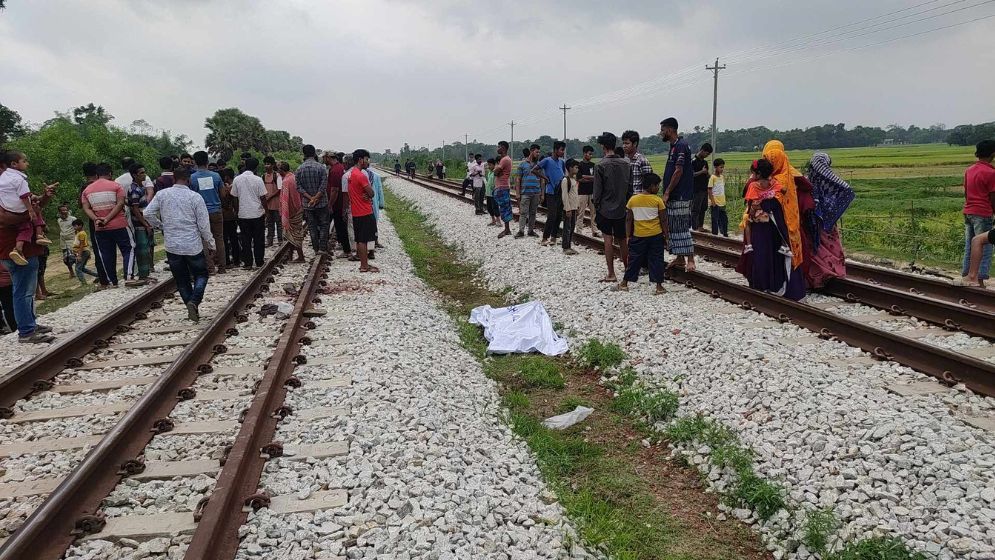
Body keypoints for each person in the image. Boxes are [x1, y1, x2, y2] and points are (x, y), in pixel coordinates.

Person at [143, 167, 215, 322]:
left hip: (172, 245)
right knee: (201, 274)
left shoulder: (162, 195)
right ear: (189, 180)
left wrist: (161, 226)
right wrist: (210, 243)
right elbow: (203, 224)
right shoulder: (195, 197)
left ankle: (190, 305)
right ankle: (194, 301)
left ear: (173, 179)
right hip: (192, 245)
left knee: (181, 280)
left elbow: (147, 213)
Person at [0, 173, 57, 343]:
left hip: (28, 249)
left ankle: (30, 324)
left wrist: (44, 198)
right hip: (15, 250)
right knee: (22, 291)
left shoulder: (12, 188)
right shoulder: (5, 191)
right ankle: (26, 331)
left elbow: (36, 203)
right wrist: (31, 213)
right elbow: (6, 219)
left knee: (27, 291)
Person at [737, 158, 805, 301]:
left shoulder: (754, 186)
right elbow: (783, 191)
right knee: (774, 253)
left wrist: (756, 208)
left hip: (759, 226)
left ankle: (761, 284)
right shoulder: (775, 183)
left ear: (758, 173)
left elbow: (751, 205)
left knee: (760, 253)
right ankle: (775, 284)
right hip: (775, 224)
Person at [800, 152, 853, 288]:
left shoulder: (807, 180)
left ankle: (817, 278)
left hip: (811, 221)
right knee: (830, 245)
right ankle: (835, 272)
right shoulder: (831, 180)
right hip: (828, 221)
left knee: (815, 248)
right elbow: (846, 191)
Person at [762, 140, 805, 295]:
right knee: (790, 253)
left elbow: (770, 203)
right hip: (791, 222)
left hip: (781, 224)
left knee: (784, 255)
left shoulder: (776, 181)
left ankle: (786, 289)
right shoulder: (788, 175)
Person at [615, 172, 667, 295]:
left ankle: (624, 283)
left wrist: (628, 235)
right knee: (657, 259)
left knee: (634, 259)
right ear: (651, 186)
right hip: (655, 235)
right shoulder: (658, 200)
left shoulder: (633, 200)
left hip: (639, 236)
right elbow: (663, 220)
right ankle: (659, 286)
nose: (658, 188)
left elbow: (628, 219)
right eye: (657, 185)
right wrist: (666, 235)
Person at [82, 163, 134, 288]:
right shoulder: (116, 186)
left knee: (106, 254)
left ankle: (112, 281)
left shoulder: (87, 190)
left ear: (97, 174)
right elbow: (120, 204)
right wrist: (108, 218)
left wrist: (96, 219)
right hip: (119, 225)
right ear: (110, 173)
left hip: (100, 228)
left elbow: (86, 208)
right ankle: (128, 277)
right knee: (129, 248)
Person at [0, 151, 53, 266]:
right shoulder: (15, 181)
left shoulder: (9, 183)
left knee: (28, 224)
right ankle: (35, 236)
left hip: (29, 252)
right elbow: (4, 219)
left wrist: (45, 195)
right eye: (24, 161)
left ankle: (35, 237)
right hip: (9, 251)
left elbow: (34, 199)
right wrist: (31, 211)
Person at [659, 117, 697, 272]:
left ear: (670, 130)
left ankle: (691, 259)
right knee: (674, 226)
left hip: (680, 194)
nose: (661, 133)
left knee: (681, 225)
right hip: (675, 194)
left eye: (663, 130)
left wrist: (667, 191)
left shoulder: (681, 146)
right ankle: (680, 258)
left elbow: (679, 170)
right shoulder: (674, 146)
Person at [592, 132, 631, 283]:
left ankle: (611, 273)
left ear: (603, 146)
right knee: (623, 239)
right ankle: (628, 271)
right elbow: (629, 189)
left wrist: (597, 205)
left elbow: (597, 191)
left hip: (605, 209)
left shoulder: (600, 165)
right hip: (622, 207)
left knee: (607, 239)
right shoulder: (626, 164)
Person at [960, 140, 995, 286]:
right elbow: (993, 197)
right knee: (985, 246)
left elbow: (966, 193)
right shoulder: (991, 172)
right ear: (992, 154)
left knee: (971, 245)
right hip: (983, 212)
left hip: (969, 211)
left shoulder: (969, 170)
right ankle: (979, 279)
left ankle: (967, 274)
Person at [190, 151, 226, 274]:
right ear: (207, 161)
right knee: (219, 238)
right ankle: (222, 267)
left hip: (200, 213)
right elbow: (223, 194)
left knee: (204, 240)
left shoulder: (192, 178)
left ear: (195, 162)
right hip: (216, 210)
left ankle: (210, 267)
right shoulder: (216, 176)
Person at [232, 157, 267, 269]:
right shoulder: (258, 179)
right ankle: (259, 261)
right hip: (257, 213)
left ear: (245, 165)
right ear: (256, 167)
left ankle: (248, 263)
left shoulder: (237, 179)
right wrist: (266, 211)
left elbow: (235, 197)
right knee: (258, 239)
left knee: (245, 239)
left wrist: (237, 211)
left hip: (243, 214)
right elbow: (263, 197)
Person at [296, 144, 331, 255]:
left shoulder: (299, 169)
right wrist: (316, 197)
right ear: (314, 153)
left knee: (312, 226)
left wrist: (310, 198)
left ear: (304, 154)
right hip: (322, 202)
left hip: (308, 203)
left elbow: (299, 187)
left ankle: (316, 248)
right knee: (324, 224)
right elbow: (323, 185)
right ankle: (322, 248)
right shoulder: (321, 167)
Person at [80, 162, 109, 286]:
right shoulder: (106, 184)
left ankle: (104, 279)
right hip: (110, 218)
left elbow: (81, 205)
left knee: (99, 251)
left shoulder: (85, 187)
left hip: (94, 222)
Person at [349, 149, 379, 273]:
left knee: (360, 239)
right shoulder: (361, 176)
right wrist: (368, 194)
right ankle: (364, 266)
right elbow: (371, 193)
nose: (368, 162)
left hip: (356, 211)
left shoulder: (352, 173)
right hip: (364, 211)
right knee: (363, 240)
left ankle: (364, 263)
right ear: (360, 160)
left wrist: (366, 194)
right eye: (366, 159)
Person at [125, 162, 155, 286]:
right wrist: (145, 224)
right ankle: (143, 275)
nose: (144, 175)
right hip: (139, 224)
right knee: (142, 250)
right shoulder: (135, 190)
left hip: (143, 222)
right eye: (141, 173)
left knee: (146, 249)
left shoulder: (140, 187)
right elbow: (136, 210)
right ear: (134, 175)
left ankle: (145, 274)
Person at [535, 141, 567, 246]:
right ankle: (544, 238)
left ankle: (553, 237)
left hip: (560, 192)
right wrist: (545, 178)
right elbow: (534, 170)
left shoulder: (562, 162)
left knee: (559, 215)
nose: (563, 152)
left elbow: (563, 174)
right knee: (552, 215)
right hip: (551, 192)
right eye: (561, 150)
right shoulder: (547, 161)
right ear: (555, 150)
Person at [278, 162, 305, 262]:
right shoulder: (294, 177)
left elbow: (285, 200)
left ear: (281, 170)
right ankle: (291, 256)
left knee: (292, 234)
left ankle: (300, 256)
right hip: (299, 209)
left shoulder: (286, 181)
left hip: (291, 212)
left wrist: (284, 214)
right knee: (295, 234)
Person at [515, 144, 542, 238]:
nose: (538, 154)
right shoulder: (522, 164)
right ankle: (521, 231)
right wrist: (517, 193)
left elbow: (542, 180)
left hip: (536, 192)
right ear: (531, 151)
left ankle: (531, 230)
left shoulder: (539, 165)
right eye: (536, 152)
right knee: (523, 213)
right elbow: (518, 179)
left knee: (533, 213)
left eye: (539, 152)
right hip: (525, 193)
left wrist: (542, 193)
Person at [327, 153, 350, 258]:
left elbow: (335, 190)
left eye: (324, 157)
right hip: (339, 203)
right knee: (340, 226)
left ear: (328, 157)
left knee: (340, 227)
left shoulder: (335, 170)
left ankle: (346, 250)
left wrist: (330, 204)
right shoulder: (338, 168)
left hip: (337, 204)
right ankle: (345, 247)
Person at [575, 145, 599, 238]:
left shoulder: (593, 165)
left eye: (591, 154)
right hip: (582, 192)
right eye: (589, 154)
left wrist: (585, 176)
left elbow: (596, 178)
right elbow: (579, 179)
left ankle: (595, 230)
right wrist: (591, 178)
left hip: (592, 192)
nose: (591, 156)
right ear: (584, 153)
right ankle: (579, 231)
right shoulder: (579, 165)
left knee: (594, 213)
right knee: (581, 212)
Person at [220, 168, 241, 268]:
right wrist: (237, 213)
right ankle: (237, 260)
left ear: (226, 177)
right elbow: (235, 202)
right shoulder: (234, 186)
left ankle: (227, 261)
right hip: (232, 216)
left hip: (223, 216)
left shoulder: (223, 188)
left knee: (224, 239)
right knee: (234, 238)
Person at [689, 143, 713, 232]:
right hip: (696, 189)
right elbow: (690, 175)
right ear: (702, 150)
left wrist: (708, 174)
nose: (707, 155)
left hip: (704, 188)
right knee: (695, 209)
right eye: (707, 153)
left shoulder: (705, 162)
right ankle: (694, 228)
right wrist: (702, 172)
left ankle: (700, 226)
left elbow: (706, 173)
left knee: (703, 208)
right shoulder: (693, 161)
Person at [493, 141, 514, 238]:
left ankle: (507, 229)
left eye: (499, 147)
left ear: (503, 148)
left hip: (502, 186)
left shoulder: (505, 160)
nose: (497, 149)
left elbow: (495, 172)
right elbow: (496, 172)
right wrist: (497, 171)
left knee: (504, 208)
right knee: (504, 207)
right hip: (502, 186)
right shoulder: (504, 159)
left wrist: (497, 171)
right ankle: (507, 229)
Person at [560, 159, 580, 255]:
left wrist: (577, 206)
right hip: (568, 209)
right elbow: (564, 196)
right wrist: (567, 209)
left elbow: (575, 194)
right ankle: (565, 247)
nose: (577, 169)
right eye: (576, 167)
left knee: (571, 228)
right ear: (570, 168)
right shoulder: (565, 180)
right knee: (567, 228)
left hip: (574, 208)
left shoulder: (574, 179)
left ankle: (569, 246)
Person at [263, 156, 283, 247]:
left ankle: (280, 240)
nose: (266, 166)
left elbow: (279, 189)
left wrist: (270, 196)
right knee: (269, 223)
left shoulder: (277, 176)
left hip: (276, 204)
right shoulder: (263, 176)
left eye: (268, 164)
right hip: (267, 205)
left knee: (278, 223)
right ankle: (269, 241)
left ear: (272, 165)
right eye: (265, 164)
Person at [70, 218, 98, 286]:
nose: (74, 227)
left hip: (83, 252)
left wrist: (79, 255)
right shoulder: (79, 233)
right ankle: (98, 275)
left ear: (80, 225)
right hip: (84, 252)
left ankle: (84, 283)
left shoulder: (81, 234)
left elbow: (82, 245)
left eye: (75, 226)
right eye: (73, 226)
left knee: (77, 269)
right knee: (82, 268)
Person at [708, 158, 728, 237]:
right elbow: (709, 190)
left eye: (723, 167)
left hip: (722, 202)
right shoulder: (712, 177)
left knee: (724, 219)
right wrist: (713, 201)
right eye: (721, 167)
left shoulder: (722, 177)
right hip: (715, 203)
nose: (722, 169)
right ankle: (715, 235)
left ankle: (724, 233)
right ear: (715, 167)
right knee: (715, 220)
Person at [57, 204, 77, 278]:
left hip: (72, 241)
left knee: (75, 257)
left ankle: (79, 270)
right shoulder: (59, 220)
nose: (64, 212)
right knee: (66, 259)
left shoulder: (73, 219)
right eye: (63, 210)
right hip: (63, 242)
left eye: (66, 210)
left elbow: (78, 229)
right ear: (59, 212)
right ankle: (71, 272)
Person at [484, 158, 499, 226]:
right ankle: (493, 220)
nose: (488, 166)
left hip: (494, 193)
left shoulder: (495, 172)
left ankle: (498, 221)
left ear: (494, 164)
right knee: (489, 207)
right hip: (488, 193)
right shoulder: (489, 172)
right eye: (488, 165)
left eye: (490, 165)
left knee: (495, 207)